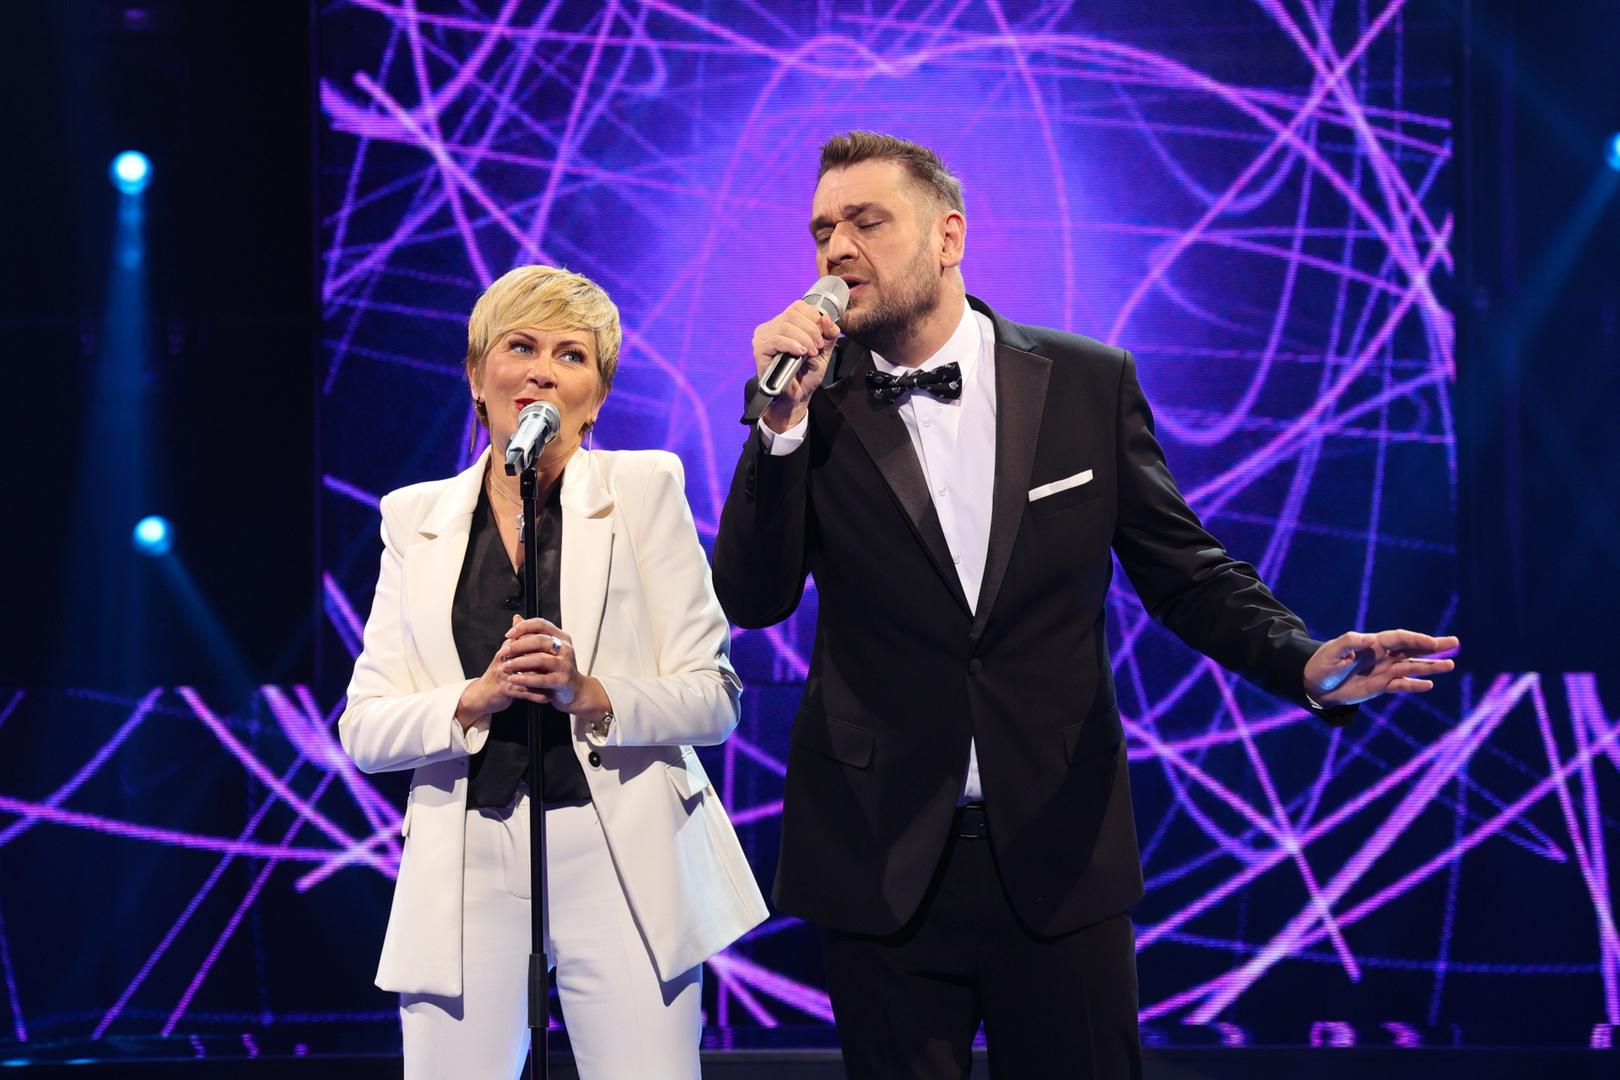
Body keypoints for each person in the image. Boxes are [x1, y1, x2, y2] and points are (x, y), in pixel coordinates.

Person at [711, 131, 1459, 1079]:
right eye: (823, 230)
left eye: (867, 222)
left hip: (1060, 847)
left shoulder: (1085, 383)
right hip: (878, 850)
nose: (837, 250)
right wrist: (779, 428)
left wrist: (1300, 660)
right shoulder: (807, 403)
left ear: (948, 236)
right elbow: (754, 597)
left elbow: (1184, 572)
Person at [340, 265, 768, 1079]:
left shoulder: (644, 489)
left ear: (595, 397)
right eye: (520, 347)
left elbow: (715, 698)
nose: (542, 371)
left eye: (571, 355)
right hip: (465, 857)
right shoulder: (414, 517)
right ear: (477, 376)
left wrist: (590, 694)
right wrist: (474, 699)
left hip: (621, 851)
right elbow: (364, 729)